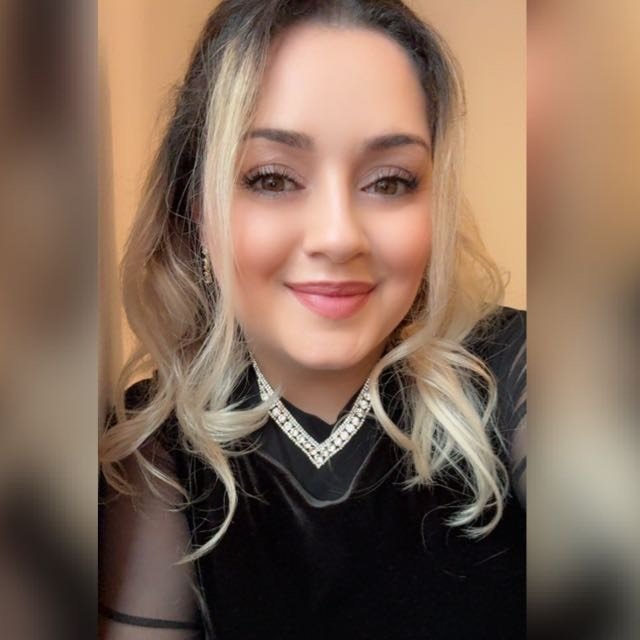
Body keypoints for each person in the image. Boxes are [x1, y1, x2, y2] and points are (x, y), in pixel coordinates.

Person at [99, 1, 526, 638]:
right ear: (200, 213)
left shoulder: (521, 368)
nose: (337, 236)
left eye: (390, 181)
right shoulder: (157, 455)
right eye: (272, 178)